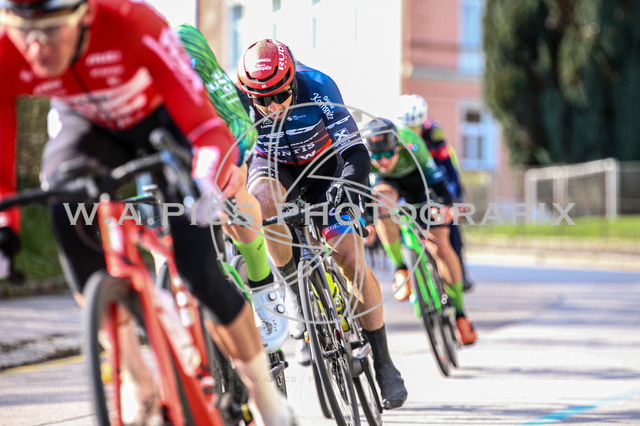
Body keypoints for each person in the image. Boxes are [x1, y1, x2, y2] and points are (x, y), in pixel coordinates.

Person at [0, 1, 295, 425]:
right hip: (87, 127)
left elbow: (206, 125)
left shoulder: (132, 23)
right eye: (23, 31)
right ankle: (138, 381)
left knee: (200, 271)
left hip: (163, 123)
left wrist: (207, 175)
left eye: (52, 30)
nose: (36, 47)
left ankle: (264, 396)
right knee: (64, 208)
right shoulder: (8, 48)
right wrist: (6, 223)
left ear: (84, 16)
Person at [236, 38, 408, 410]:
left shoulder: (318, 86)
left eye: (280, 95)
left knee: (349, 258)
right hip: (274, 168)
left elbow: (355, 152)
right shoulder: (240, 101)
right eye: (261, 100)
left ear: (292, 81)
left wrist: (348, 188)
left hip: (327, 168)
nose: (272, 106)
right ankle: (297, 296)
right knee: (262, 204)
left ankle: (383, 362)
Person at [175, 23, 288, 354]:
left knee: (234, 195)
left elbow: (239, 123)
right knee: (158, 227)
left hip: (219, 127)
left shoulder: (184, 42)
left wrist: (229, 169)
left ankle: (263, 286)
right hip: (167, 143)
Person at [362, 117, 478, 345]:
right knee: (381, 203)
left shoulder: (412, 144)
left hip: (420, 183)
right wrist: (368, 221)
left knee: (440, 245)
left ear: (397, 147)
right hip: (387, 186)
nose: (383, 161)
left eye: (388, 153)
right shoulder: (365, 157)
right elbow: (364, 194)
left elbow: (438, 182)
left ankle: (460, 315)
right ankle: (401, 269)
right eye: (376, 156)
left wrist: (447, 206)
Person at [397, 93, 474, 292]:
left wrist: (455, 201)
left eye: (417, 127)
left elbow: (448, 170)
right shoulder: (395, 134)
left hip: (435, 177)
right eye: (409, 128)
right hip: (410, 181)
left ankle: (460, 270)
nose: (414, 132)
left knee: (450, 223)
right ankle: (409, 269)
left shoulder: (433, 131)